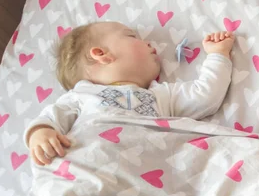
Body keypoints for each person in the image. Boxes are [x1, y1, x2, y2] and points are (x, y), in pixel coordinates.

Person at [25, 21, 234, 166]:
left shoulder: (159, 95)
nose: (150, 44)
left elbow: (206, 96)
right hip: (90, 161)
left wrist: (218, 55)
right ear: (101, 54)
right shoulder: (82, 95)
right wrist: (41, 133)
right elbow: (51, 117)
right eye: (132, 36)